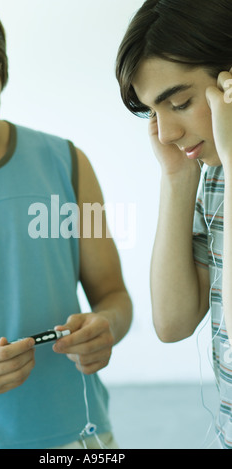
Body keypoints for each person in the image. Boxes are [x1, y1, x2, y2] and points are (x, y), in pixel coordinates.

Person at [0, 0, 132, 449]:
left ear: (2, 73)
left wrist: (107, 330)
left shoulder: (68, 162)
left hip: (82, 435)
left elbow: (114, 296)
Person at [116, 0, 232, 449]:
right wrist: (177, 179)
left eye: (179, 103)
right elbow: (173, 322)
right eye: (152, 112)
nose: (164, 132)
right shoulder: (216, 172)